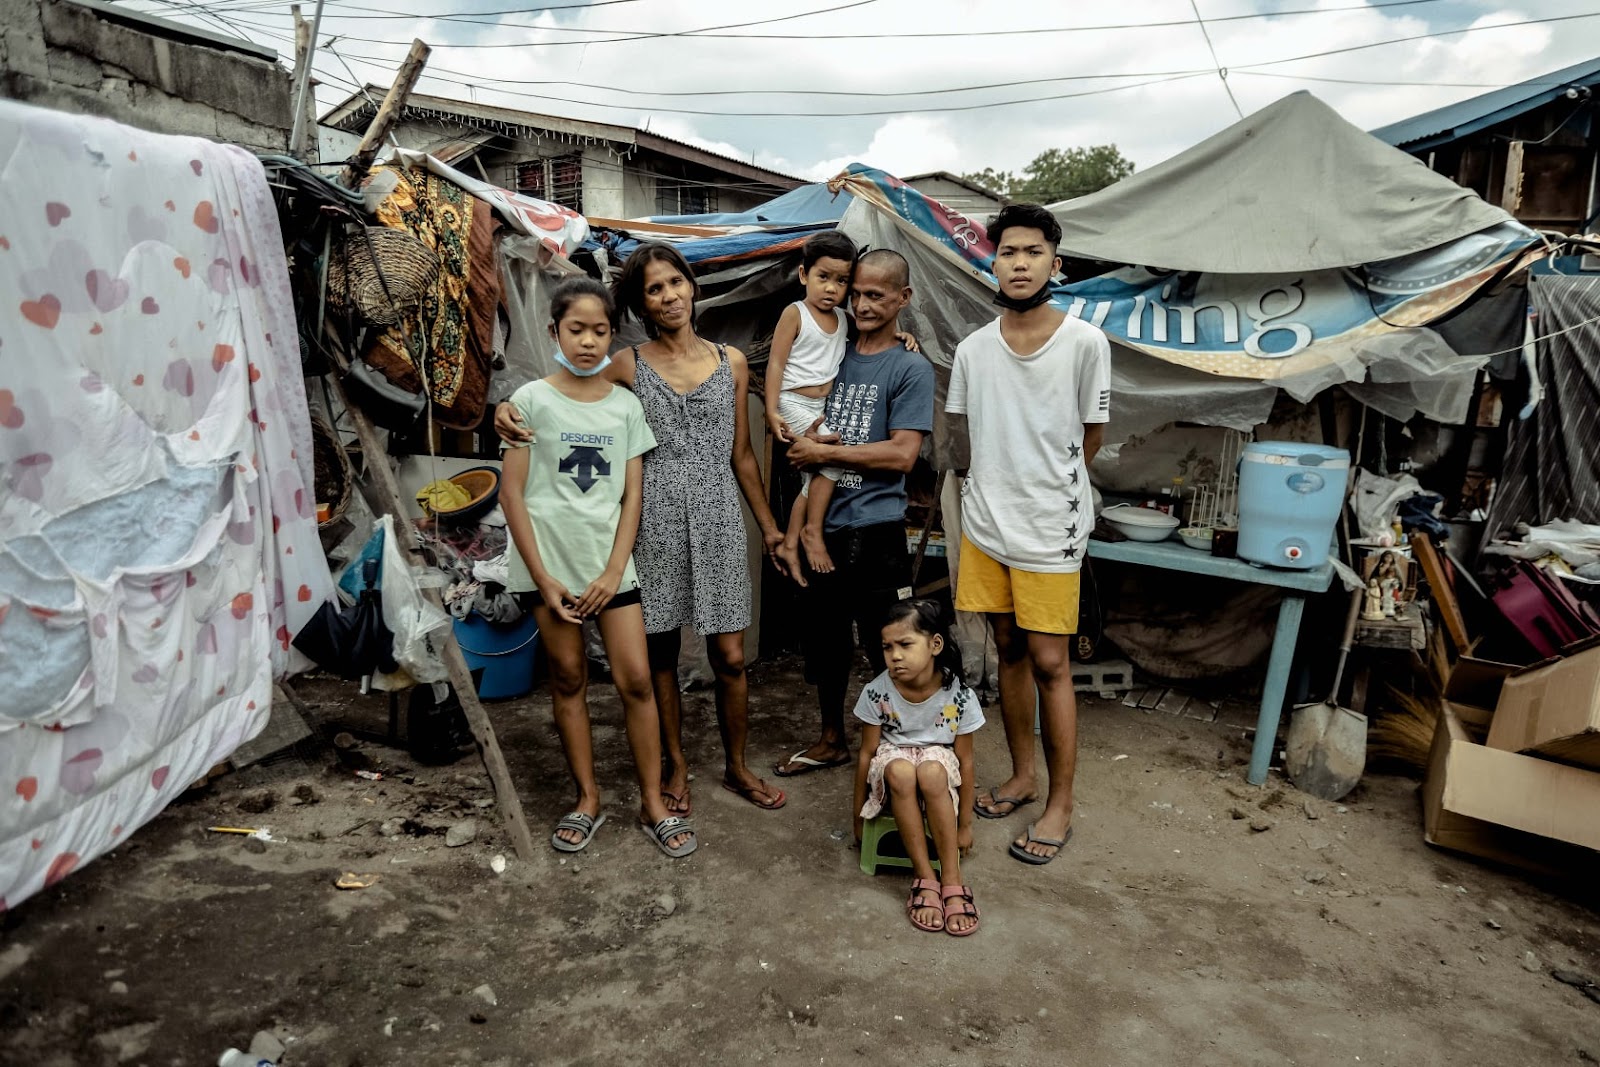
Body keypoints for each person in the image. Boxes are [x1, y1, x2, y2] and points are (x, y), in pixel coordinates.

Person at [495, 243, 789, 814]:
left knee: (730, 655)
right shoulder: (628, 363)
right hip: (650, 519)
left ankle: (736, 765)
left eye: (675, 282)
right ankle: (674, 766)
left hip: (718, 516)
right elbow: (568, 384)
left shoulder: (731, 361)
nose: (669, 296)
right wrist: (503, 407)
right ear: (643, 305)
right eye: (654, 290)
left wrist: (771, 528)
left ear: (692, 286)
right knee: (660, 656)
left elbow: (744, 457)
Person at [497, 276, 696, 858]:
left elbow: (632, 497)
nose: (588, 342)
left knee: (636, 680)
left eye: (600, 331)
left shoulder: (625, 406)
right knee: (568, 678)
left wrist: (614, 572)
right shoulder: (530, 401)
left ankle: (653, 802)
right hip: (548, 567)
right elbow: (513, 496)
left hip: (611, 568)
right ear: (554, 330)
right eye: (576, 329)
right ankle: (587, 798)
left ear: (613, 335)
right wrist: (544, 577)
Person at [946, 203, 1110, 865]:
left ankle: (1060, 804)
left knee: (1050, 661)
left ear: (1055, 263)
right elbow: (964, 430)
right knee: (1008, 649)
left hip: (1050, 527)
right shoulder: (972, 348)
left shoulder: (1083, 344)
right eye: (1008, 251)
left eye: (1032, 252)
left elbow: (1089, 436)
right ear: (994, 259)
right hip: (988, 521)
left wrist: (1050, 488)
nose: (1019, 262)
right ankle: (1021, 775)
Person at [776, 249, 936, 779]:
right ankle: (831, 739)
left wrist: (825, 454)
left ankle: (900, 746)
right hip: (823, 524)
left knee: (890, 643)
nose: (862, 304)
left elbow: (902, 454)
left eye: (876, 294)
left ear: (902, 299)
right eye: (857, 293)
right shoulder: (833, 351)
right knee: (824, 644)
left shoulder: (911, 366)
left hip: (875, 531)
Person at [852, 600, 983, 935]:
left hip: (936, 768)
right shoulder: (877, 692)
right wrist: (856, 815)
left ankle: (951, 878)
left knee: (929, 770)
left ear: (934, 645)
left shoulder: (960, 696)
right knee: (900, 769)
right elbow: (867, 754)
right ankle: (924, 875)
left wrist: (965, 826)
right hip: (893, 765)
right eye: (887, 647)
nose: (895, 655)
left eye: (905, 645)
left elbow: (965, 761)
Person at [764, 230, 856, 580]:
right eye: (823, 277)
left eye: (841, 280)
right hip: (792, 401)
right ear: (804, 275)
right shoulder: (795, 313)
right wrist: (772, 410)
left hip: (821, 408)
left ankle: (790, 541)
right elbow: (775, 363)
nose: (831, 288)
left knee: (814, 474)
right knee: (834, 458)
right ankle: (811, 531)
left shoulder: (845, 320)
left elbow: (873, 335)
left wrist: (901, 335)